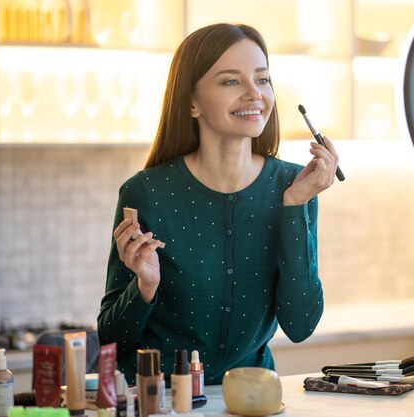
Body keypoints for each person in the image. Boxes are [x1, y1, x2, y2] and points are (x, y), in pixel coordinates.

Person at [97, 23, 340, 386]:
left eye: (262, 79)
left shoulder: (296, 186)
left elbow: (300, 324)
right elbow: (111, 339)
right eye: (231, 81)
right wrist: (144, 287)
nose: (253, 94)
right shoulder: (146, 192)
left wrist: (295, 207)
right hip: (161, 401)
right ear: (192, 102)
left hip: (251, 398)